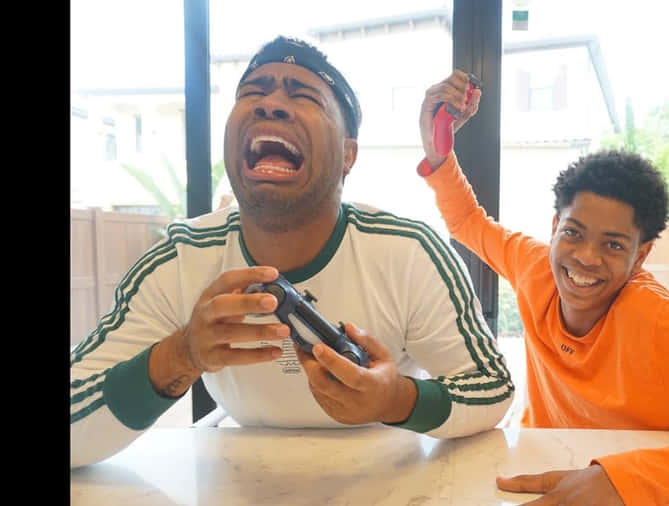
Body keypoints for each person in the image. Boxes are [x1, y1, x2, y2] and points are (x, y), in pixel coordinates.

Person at [69, 38, 514, 469]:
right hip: (239, 475)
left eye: (304, 96)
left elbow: (492, 387)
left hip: (387, 475)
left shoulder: (410, 251)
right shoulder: (181, 259)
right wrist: (180, 356)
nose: (270, 104)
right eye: (253, 92)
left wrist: (396, 399)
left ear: (348, 155)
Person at [415, 70, 669, 505]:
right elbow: (468, 222)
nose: (586, 258)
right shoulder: (534, 265)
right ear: (555, 228)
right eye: (573, 233)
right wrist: (437, 146)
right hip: (533, 465)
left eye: (613, 244)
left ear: (642, 255)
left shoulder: (665, 328)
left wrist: (625, 480)